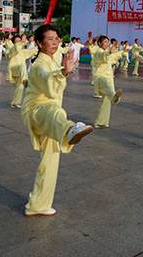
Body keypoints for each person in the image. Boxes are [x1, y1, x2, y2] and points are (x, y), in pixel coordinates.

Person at [22, 24, 93, 217]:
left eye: (57, 38)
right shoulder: (39, 64)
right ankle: (69, 129)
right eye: (50, 39)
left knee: (50, 160)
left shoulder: (53, 58)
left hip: (50, 115)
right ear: (39, 43)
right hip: (37, 110)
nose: (55, 42)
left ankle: (38, 205)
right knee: (56, 113)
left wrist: (65, 67)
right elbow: (48, 83)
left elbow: (61, 59)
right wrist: (63, 73)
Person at [92, 35, 124, 128]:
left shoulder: (107, 53)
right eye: (105, 41)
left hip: (109, 77)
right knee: (110, 94)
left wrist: (122, 51)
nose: (107, 43)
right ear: (100, 43)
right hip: (100, 77)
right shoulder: (99, 51)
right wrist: (109, 51)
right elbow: (103, 55)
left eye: (108, 42)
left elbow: (113, 57)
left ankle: (101, 122)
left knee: (106, 101)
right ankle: (114, 98)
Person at [8, 35, 38, 108]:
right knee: (21, 83)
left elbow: (31, 52)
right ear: (14, 42)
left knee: (20, 86)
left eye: (19, 40)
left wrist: (39, 45)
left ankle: (15, 102)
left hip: (21, 70)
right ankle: (25, 79)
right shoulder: (13, 49)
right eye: (17, 41)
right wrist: (22, 41)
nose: (19, 42)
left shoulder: (22, 51)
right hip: (16, 68)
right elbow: (17, 47)